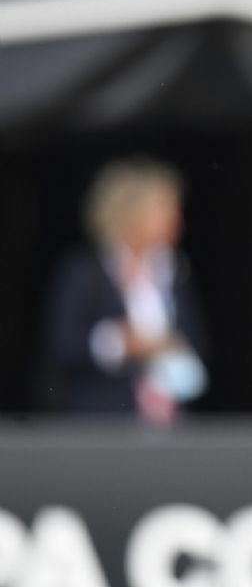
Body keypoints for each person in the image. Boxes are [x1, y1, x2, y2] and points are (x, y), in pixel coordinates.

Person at [38, 157, 208, 425]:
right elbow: (62, 346)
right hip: (101, 423)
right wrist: (119, 342)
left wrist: (171, 346)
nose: (177, 222)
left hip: (165, 422)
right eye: (165, 211)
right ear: (132, 214)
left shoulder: (174, 270)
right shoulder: (85, 272)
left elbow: (198, 339)